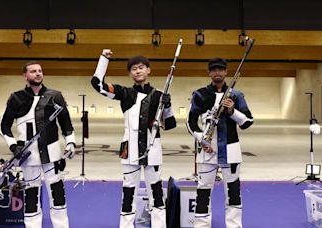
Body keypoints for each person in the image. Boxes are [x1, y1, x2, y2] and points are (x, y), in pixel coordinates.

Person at [91, 49, 176, 228]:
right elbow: (97, 84)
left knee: (157, 193)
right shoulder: (124, 93)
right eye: (134, 69)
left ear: (148, 70)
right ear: (130, 74)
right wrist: (104, 59)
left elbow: (169, 125)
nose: (138, 71)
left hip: (153, 150)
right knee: (128, 192)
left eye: (141, 67)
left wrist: (167, 106)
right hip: (129, 150)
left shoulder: (160, 96)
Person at [0, 61, 76, 228]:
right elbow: (4, 126)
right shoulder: (16, 98)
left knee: (57, 192)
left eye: (40, 71)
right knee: (31, 194)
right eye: (33, 71)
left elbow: (66, 123)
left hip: (52, 153)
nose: (38, 73)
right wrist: (13, 146)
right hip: (27, 155)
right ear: (25, 75)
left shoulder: (55, 96)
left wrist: (70, 142)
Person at [186, 57, 253, 228]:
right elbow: (190, 121)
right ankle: (201, 225)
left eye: (220, 69)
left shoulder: (236, 95)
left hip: (231, 151)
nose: (217, 73)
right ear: (209, 73)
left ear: (226, 72)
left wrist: (232, 111)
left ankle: (234, 225)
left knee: (233, 192)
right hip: (207, 151)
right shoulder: (200, 94)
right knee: (203, 191)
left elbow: (247, 122)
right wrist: (202, 139)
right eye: (214, 70)